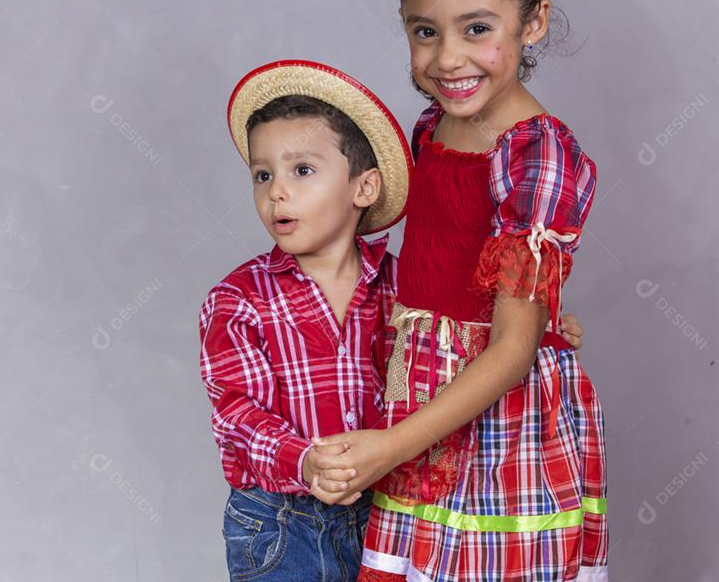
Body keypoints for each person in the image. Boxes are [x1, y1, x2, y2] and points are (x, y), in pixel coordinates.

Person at [309, 0, 609, 582]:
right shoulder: (427, 129)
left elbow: (509, 351)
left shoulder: (537, 151)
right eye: (424, 32)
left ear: (532, 23)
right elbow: (431, 259)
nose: (447, 58)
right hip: (418, 382)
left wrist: (389, 447)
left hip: (494, 413)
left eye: (477, 29)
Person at [198, 60, 587, 581]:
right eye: (262, 174)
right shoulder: (238, 299)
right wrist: (305, 462)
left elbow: (451, 351)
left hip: (379, 511)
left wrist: (541, 331)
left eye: (302, 171)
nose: (277, 192)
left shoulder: (399, 292)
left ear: (364, 189)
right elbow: (237, 414)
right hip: (279, 521)